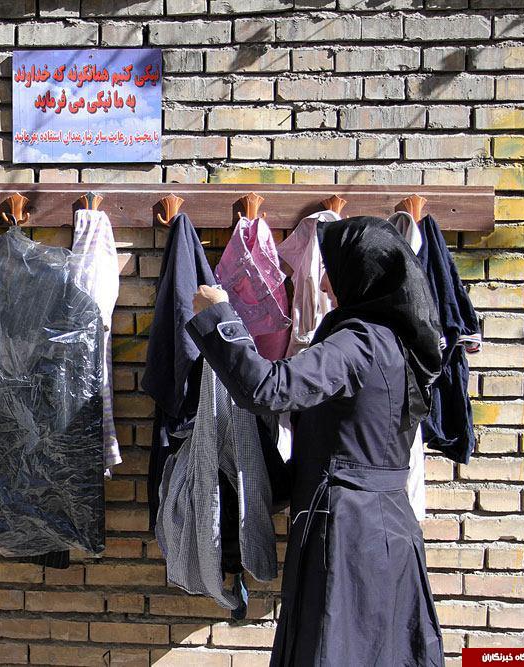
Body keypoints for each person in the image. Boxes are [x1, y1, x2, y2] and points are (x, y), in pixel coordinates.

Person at [187, 217, 446, 666]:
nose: (324, 283)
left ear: (361, 276)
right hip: (389, 527)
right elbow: (343, 441)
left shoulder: (359, 343)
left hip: (348, 531)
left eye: (332, 271)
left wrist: (218, 317)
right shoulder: (397, 343)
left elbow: (268, 388)